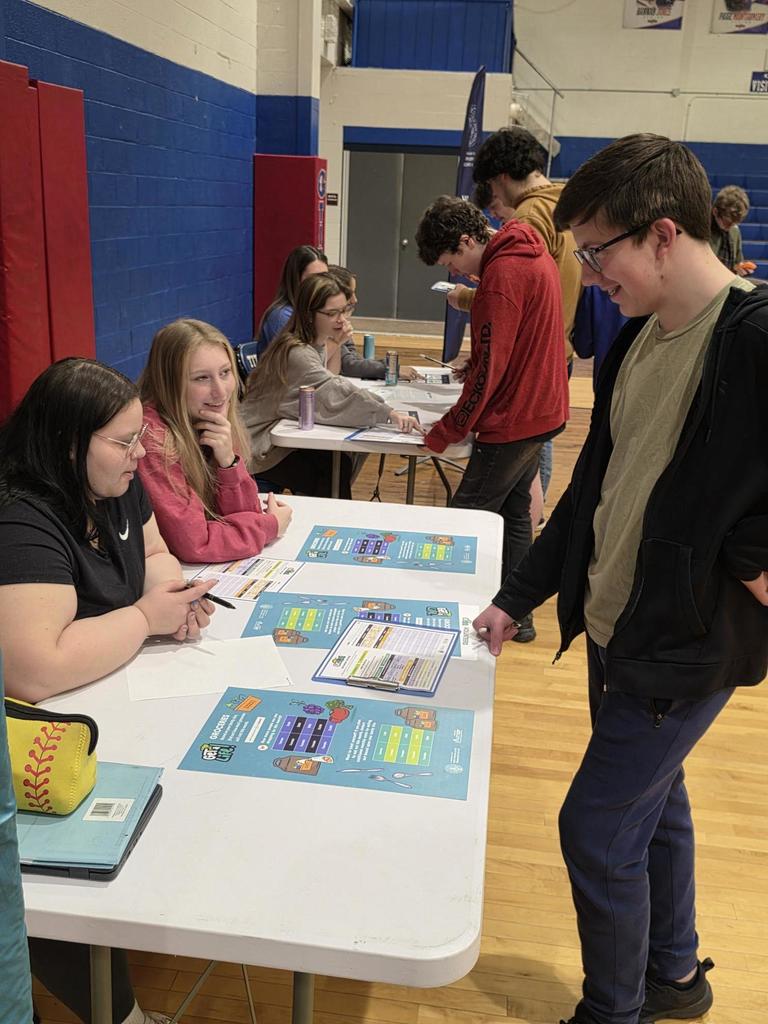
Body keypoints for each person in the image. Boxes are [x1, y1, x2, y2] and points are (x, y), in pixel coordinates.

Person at [473, 133, 768, 1024]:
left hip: (681, 647)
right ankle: (673, 978)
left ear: (665, 234)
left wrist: (746, 551)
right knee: (652, 803)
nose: (590, 274)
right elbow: (595, 493)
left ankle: (612, 1012)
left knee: (595, 831)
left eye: (599, 253)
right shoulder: (638, 339)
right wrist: (517, 598)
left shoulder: (754, 341)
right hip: (612, 632)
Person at [0, 358, 215, 1023]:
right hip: (54, 736)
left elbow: (156, 556)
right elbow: (36, 666)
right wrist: (147, 619)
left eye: (137, 438)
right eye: (122, 443)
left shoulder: (116, 484)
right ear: (68, 445)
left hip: (117, 701)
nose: (137, 455)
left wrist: (167, 598)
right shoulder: (22, 517)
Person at [415, 196, 569, 642]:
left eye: (453, 261)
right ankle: (518, 617)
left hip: (515, 418)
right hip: (541, 409)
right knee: (514, 513)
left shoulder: (501, 274)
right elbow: (510, 346)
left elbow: (490, 375)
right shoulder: (526, 250)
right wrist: (479, 359)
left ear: (467, 239)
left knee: (460, 523)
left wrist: (446, 430)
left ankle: (441, 618)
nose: (458, 274)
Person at [242, 273, 421, 498]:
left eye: (344, 310)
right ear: (309, 315)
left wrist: (336, 342)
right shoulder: (297, 353)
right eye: (331, 313)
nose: (342, 319)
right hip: (256, 447)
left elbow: (331, 376)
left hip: (272, 439)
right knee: (330, 470)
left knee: (334, 464)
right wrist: (390, 413)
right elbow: (336, 390)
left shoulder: (311, 342)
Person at [138, 318, 292, 563]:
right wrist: (268, 526)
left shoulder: (209, 423)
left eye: (225, 372)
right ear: (169, 383)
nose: (221, 391)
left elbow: (245, 513)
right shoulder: (152, 439)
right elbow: (195, 543)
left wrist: (228, 463)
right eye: (201, 378)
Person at [326, 265, 421, 381]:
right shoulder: (327, 325)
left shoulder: (341, 320)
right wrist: (389, 368)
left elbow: (351, 355)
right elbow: (347, 365)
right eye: (350, 293)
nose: (355, 300)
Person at [255, 244, 328, 356]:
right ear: (296, 280)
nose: (321, 285)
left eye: (325, 278)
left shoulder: (315, 312)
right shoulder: (282, 316)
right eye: (313, 279)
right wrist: (334, 340)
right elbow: (300, 367)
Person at [710, 185, 754, 276]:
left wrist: (741, 269)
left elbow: (737, 262)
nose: (730, 227)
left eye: (735, 223)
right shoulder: (702, 231)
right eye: (727, 222)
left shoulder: (734, 230)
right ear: (715, 212)